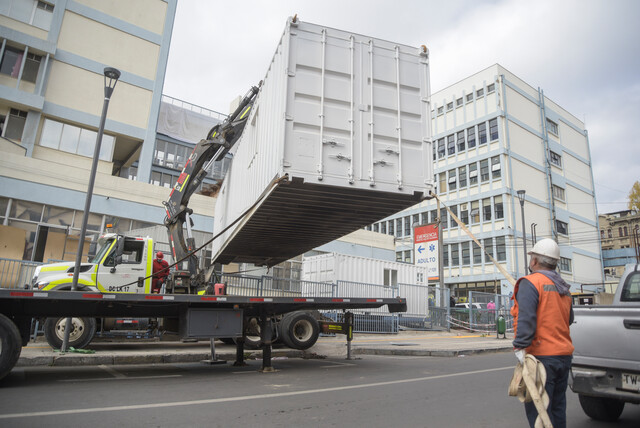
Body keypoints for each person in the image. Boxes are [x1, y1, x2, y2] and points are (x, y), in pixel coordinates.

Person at [511, 238, 574, 428]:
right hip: (563, 356)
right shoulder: (564, 287)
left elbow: (526, 318)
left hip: (541, 358)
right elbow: (568, 319)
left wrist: (520, 346)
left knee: (539, 413)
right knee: (557, 407)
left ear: (535, 261)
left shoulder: (531, 283)